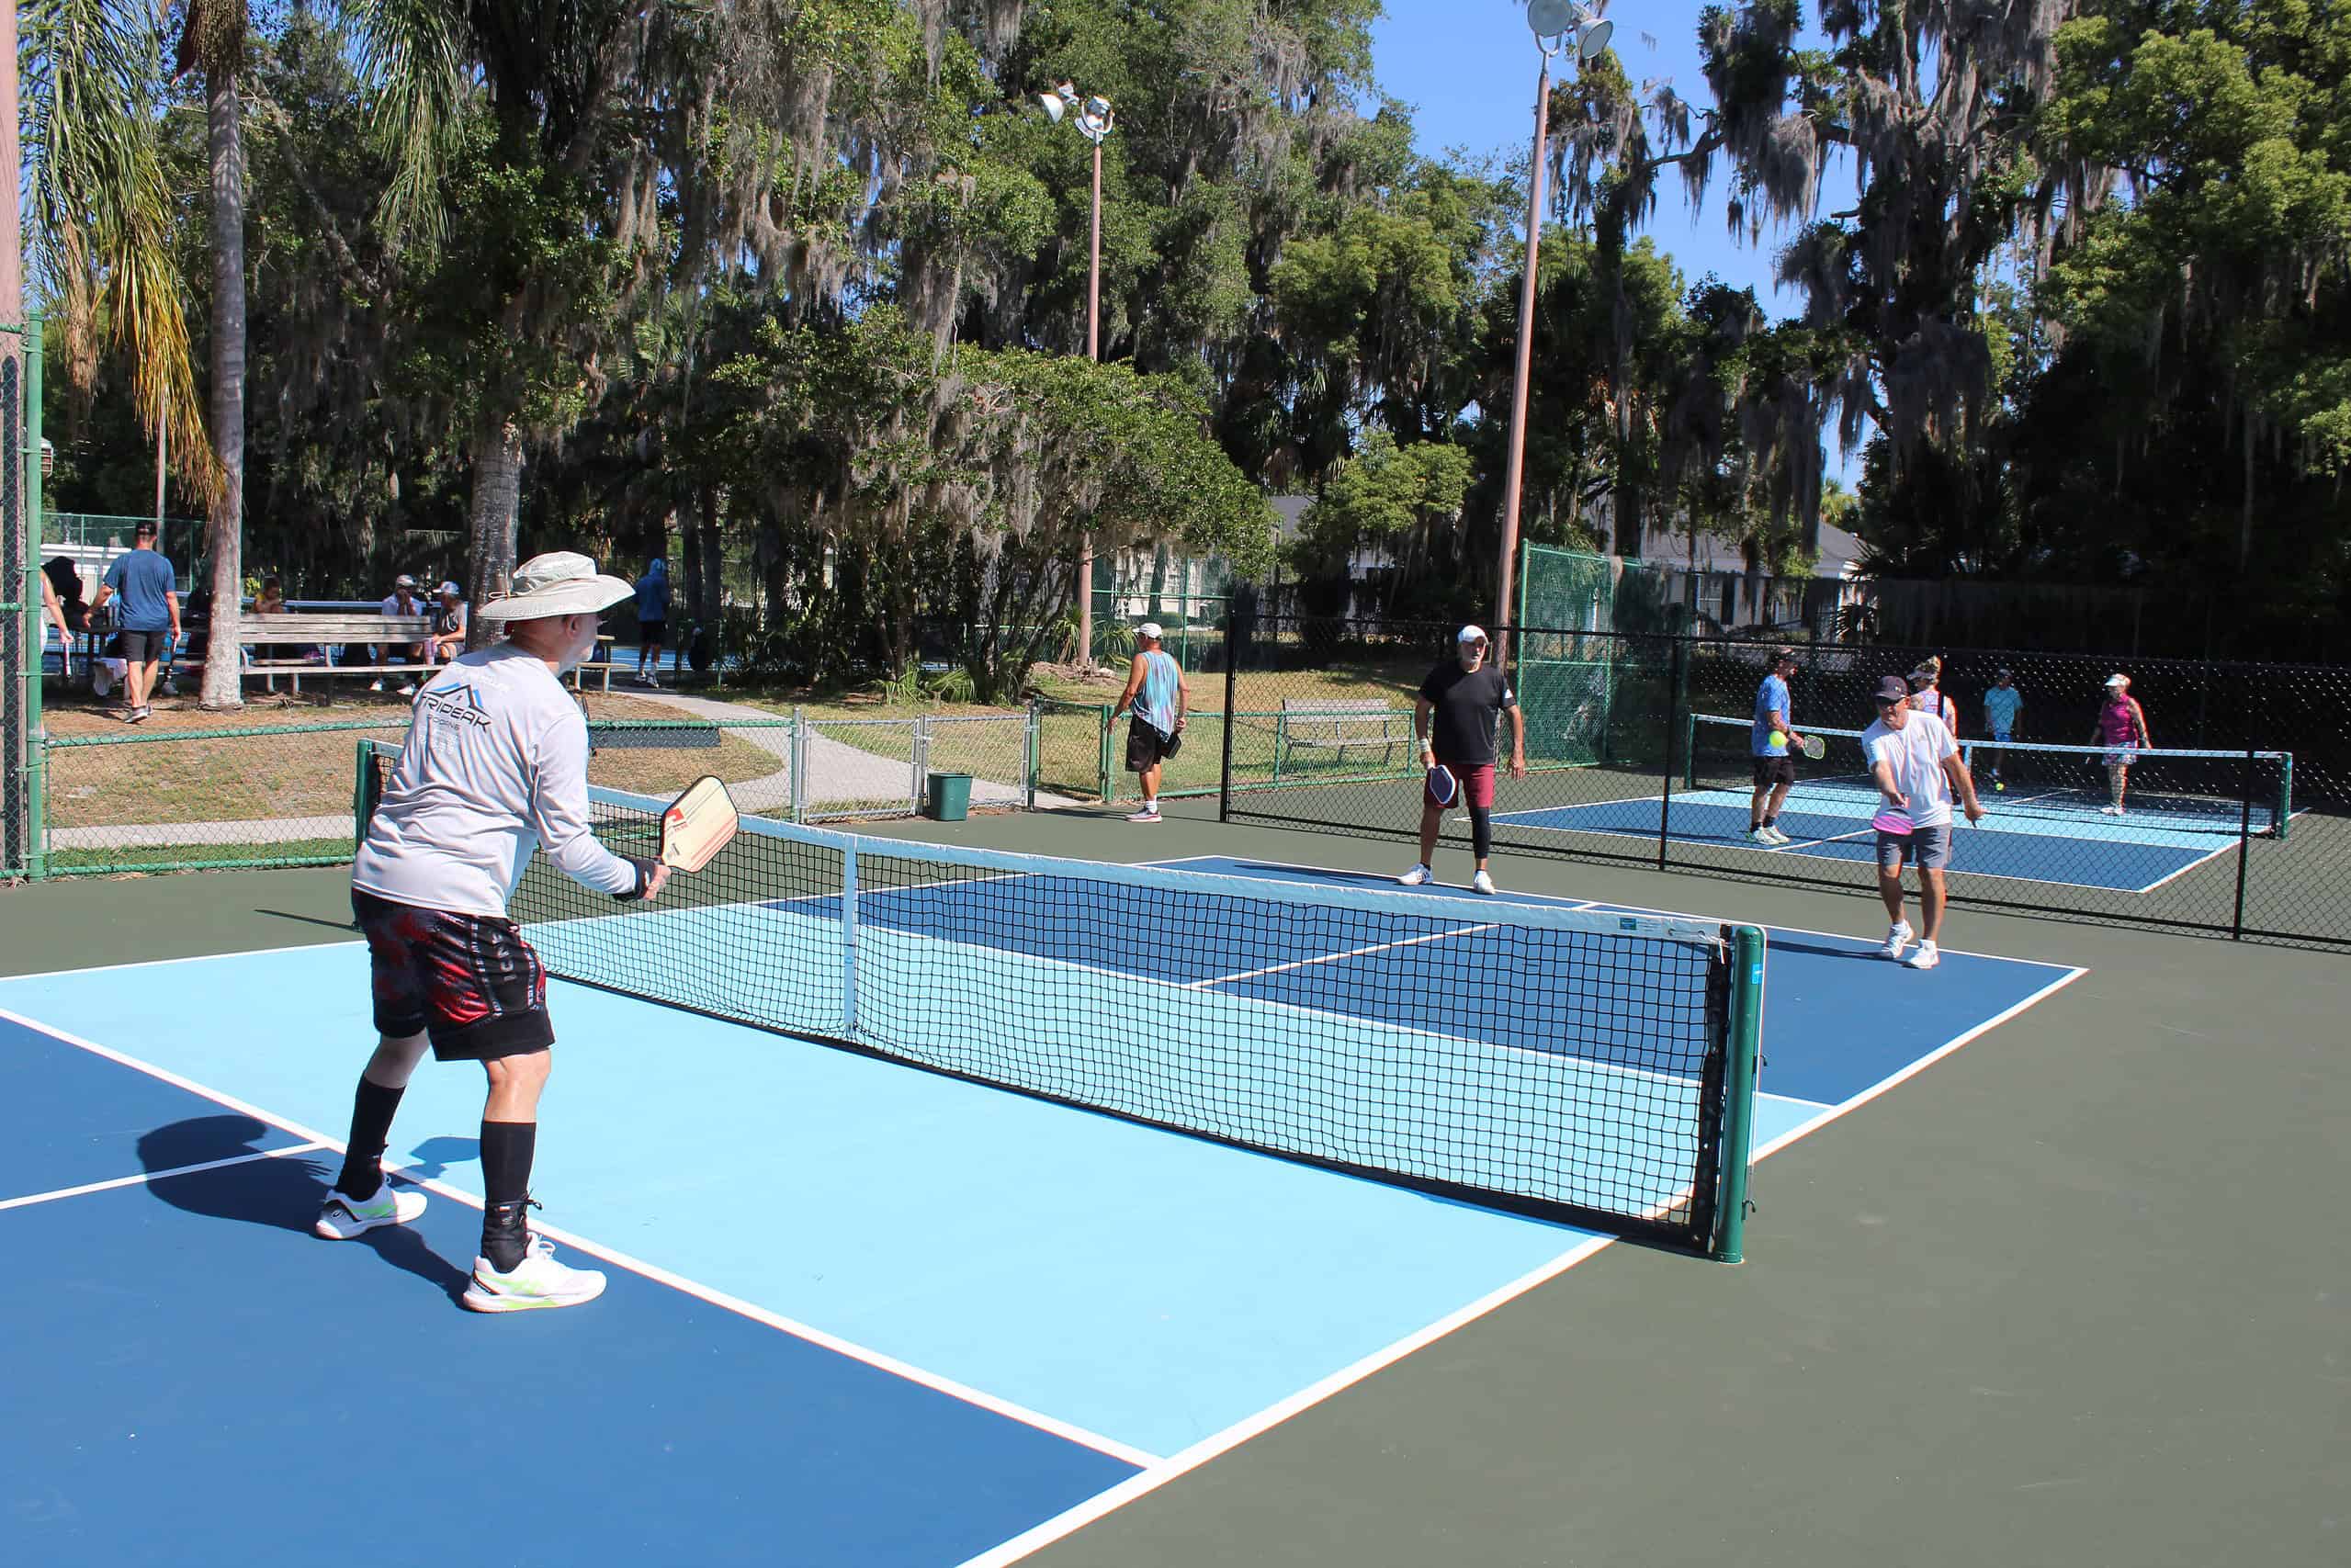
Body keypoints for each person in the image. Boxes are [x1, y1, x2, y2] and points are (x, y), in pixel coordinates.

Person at [328, 551, 671, 1313]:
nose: (595, 627)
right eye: (588, 614)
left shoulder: (451, 676)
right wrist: (635, 879)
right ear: (565, 621)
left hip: (380, 882)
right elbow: (569, 846)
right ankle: (505, 1259)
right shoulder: (553, 710)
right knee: (522, 1069)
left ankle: (357, 1191)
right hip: (453, 901)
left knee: (401, 1039)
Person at [1861, 673, 1985, 971]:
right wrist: (1888, 789)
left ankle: (1929, 945)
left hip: (1934, 813)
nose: (1887, 709)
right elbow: (1880, 767)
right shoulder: (1872, 735)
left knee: (1930, 875)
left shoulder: (1931, 724)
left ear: (1905, 701)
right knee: (1888, 875)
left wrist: (1969, 802)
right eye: (1881, 703)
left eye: (1892, 703)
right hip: (1894, 814)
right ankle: (1900, 926)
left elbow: (1954, 765)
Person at [1399, 625, 1527, 895]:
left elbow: (1514, 714)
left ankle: (1481, 873)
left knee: (1481, 815)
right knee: (1433, 811)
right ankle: (1424, 868)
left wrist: (1517, 752)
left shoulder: (1495, 678)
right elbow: (1421, 711)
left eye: (1481, 645)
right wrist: (1425, 748)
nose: (1477, 650)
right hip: (1445, 761)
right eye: (1472, 644)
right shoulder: (1441, 675)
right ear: (1460, 646)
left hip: (1481, 762)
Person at [88, 520, 180, 722]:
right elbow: (171, 597)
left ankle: (137, 705)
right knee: (152, 661)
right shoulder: (164, 563)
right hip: (158, 621)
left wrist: (91, 611)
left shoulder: (123, 561)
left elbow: (106, 590)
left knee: (134, 662)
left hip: (133, 621)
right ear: (154, 538)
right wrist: (177, 624)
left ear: (135, 537)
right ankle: (142, 702)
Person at [1105, 622, 1189, 823]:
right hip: (1166, 724)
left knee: (1144, 766)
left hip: (1145, 720)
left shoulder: (1141, 659)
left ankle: (1151, 810)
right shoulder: (1171, 660)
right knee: (1155, 762)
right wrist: (1181, 717)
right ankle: (1152, 804)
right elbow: (1185, 689)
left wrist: (1115, 715)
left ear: (1145, 638)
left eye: (1138, 636)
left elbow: (1131, 691)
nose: (1137, 640)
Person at [1747, 647, 1807, 845]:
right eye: (1791, 661)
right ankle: (1755, 829)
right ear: (1781, 664)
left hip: (1779, 746)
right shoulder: (1772, 685)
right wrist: (1793, 736)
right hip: (1767, 746)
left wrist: (1788, 740)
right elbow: (1773, 720)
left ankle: (1769, 823)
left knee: (1787, 781)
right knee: (1763, 787)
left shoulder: (1781, 684)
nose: (1794, 665)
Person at [2088, 672, 2152, 815]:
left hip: (2127, 742)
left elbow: (2140, 723)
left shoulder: (2130, 703)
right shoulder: (2107, 704)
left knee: (2119, 771)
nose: (2110, 690)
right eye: (2109, 688)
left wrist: (2145, 741)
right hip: (2110, 742)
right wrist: (2092, 742)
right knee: (2112, 773)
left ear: (2122, 687)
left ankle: (2118, 806)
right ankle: (2115, 802)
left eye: (2113, 687)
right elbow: (2100, 724)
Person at [374, 574, 426, 694]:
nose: (406, 590)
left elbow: (416, 624)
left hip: (409, 640)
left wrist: (408, 605)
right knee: (382, 647)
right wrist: (402, 605)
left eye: (409, 588)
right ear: (397, 587)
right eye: (403, 587)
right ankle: (381, 679)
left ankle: (411, 682)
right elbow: (397, 623)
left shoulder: (417, 603)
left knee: (417, 645)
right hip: (393, 639)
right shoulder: (388, 602)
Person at [1982, 667, 2023, 792]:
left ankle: (1997, 771)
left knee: (2002, 748)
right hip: (1993, 727)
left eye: (2005, 678)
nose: (2002, 680)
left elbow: (2018, 711)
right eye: (2000, 678)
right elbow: (1987, 708)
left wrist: (2019, 726)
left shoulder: (2014, 694)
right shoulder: (1990, 693)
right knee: (1993, 750)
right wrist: (1989, 723)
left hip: (2007, 727)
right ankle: (1993, 771)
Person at [633, 558, 671, 685]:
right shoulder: (661, 581)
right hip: (658, 618)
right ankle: (652, 675)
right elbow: (666, 600)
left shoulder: (642, 581)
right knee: (657, 646)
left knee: (644, 644)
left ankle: (639, 673)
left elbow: (635, 600)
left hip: (644, 618)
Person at [1908, 655, 1961, 731]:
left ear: (1923, 680)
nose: (1915, 683)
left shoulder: (1915, 699)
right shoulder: (1946, 701)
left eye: (1916, 680)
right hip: (1939, 741)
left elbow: (1910, 727)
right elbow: (1952, 732)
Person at [428, 581, 469, 663]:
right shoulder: (443, 610)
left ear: (450, 597)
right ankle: (420, 675)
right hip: (446, 641)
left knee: (444, 649)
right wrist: (432, 639)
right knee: (419, 648)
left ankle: (446, 674)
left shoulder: (462, 608)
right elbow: (440, 632)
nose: (439, 598)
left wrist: (442, 639)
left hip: (463, 644)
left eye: (442, 596)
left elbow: (462, 633)